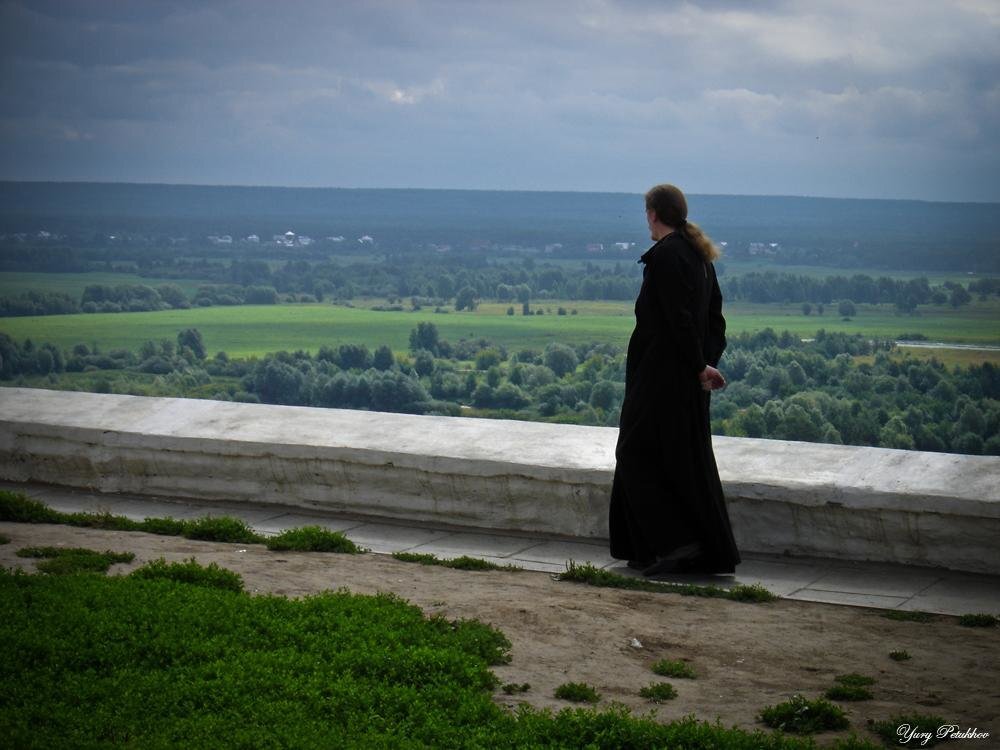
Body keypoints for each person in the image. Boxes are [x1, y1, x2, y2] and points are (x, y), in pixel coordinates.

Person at [608, 183, 740, 577]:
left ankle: (676, 544)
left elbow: (677, 322)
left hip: (662, 378)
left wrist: (699, 367)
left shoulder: (666, 257)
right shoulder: (699, 256)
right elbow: (713, 321)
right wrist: (705, 366)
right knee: (681, 459)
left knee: (634, 454)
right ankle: (657, 548)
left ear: (653, 214)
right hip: (687, 379)